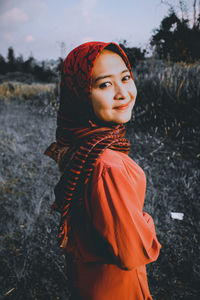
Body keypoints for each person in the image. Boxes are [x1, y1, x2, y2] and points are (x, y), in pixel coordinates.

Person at [45, 41, 161, 300]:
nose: (123, 93)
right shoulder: (107, 165)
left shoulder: (83, 144)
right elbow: (132, 252)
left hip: (89, 282)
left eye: (125, 78)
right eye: (105, 84)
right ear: (81, 95)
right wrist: (146, 221)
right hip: (116, 288)